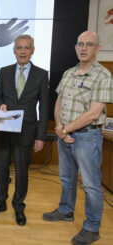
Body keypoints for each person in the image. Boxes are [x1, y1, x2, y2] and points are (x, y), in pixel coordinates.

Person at [43, 31, 113, 245]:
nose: (84, 48)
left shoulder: (103, 75)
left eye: (89, 44)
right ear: (75, 47)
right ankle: (66, 210)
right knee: (67, 178)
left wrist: (66, 129)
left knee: (91, 185)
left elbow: (93, 114)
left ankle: (92, 228)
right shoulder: (68, 73)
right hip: (66, 135)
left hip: (86, 138)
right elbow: (59, 102)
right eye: (80, 44)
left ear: (97, 49)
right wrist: (59, 127)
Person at [0, 34, 49, 226]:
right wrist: (2, 104)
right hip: (5, 127)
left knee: (22, 170)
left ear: (33, 50)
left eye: (27, 47)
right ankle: (0, 202)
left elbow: (44, 107)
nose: (23, 51)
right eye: (19, 47)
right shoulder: (4, 71)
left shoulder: (41, 74)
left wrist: (41, 136)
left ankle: (19, 206)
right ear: (14, 50)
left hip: (27, 130)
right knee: (2, 167)